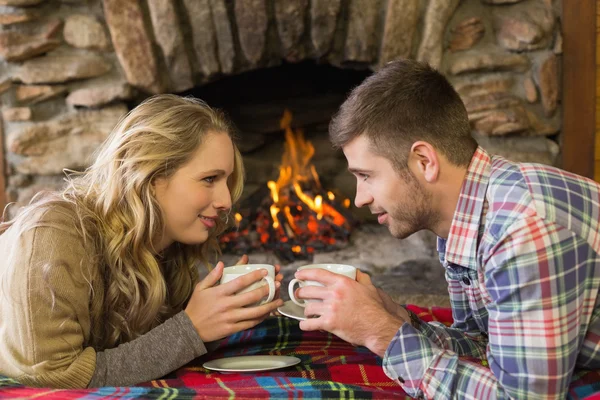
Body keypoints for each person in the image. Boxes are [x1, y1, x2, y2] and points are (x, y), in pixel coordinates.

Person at [293, 59, 600, 399]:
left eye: (366, 176)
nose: (359, 199)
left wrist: (382, 334)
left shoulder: (521, 230)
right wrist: (396, 318)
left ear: (424, 161)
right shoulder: (465, 214)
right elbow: (487, 348)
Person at [0, 94, 284, 389]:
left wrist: (221, 317)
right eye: (210, 179)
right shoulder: (53, 235)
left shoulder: (167, 246)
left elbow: (147, 353)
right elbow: (54, 376)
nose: (226, 200)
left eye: (226, 180)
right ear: (150, 175)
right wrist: (191, 330)